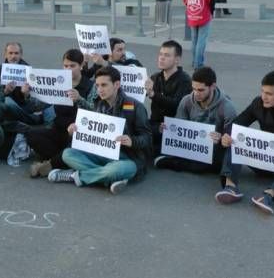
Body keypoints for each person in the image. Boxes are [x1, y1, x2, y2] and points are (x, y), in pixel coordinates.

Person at [215, 70, 274, 215]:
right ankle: (230, 187)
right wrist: (226, 136)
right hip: (261, 158)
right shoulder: (258, 103)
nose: (264, 97)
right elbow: (237, 124)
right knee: (235, 139)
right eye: (262, 91)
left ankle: (268, 195)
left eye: (269, 94)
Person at [54, 66, 152, 194]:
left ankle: (76, 176)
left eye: (104, 85)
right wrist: (75, 131)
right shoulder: (99, 105)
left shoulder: (135, 106)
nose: (100, 90)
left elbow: (148, 138)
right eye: (97, 85)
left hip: (129, 159)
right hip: (104, 155)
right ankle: (110, 178)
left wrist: (132, 141)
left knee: (115, 170)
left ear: (117, 84)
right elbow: (94, 134)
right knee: (67, 154)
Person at [155, 66, 236, 173]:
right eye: (193, 88)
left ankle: (174, 163)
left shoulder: (227, 107)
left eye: (201, 90)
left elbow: (231, 138)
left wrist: (221, 138)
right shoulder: (187, 101)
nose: (196, 93)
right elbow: (179, 128)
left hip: (214, 149)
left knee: (220, 162)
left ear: (212, 86)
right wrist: (168, 129)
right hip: (193, 147)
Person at [26, 49, 93, 177]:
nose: (68, 69)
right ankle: (63, 161)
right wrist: (27, 94)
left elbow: (95, 113)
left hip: (77, 133)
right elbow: (37, 106)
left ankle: (49, 165)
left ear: (81, 66)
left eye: (72, 66)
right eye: (65, 66)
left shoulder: (90, 86)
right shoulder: (58, 82)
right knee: (31, 135)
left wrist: (80, 99)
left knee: (74, 147)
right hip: (59, 130)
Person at [144, 40, 192, 155]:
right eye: (160, 54)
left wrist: (153, 94)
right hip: (155, 124)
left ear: (177, 60)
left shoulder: (184, 80)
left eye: (167, 55)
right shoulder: (155, 77)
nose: (161, 58)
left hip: (174, 127)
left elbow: (177, 105)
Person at [180, 0, 216, 69]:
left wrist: (190, 8)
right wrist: (211, 13)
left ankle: (194, 61)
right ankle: (198, 64)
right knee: (201, 40)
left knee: (194, 39)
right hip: (204, 14)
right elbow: (212, 1)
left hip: (192, 15)